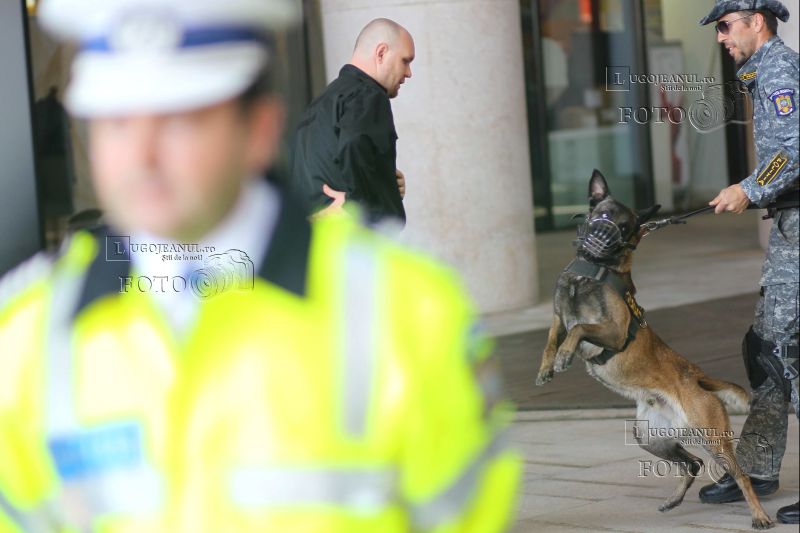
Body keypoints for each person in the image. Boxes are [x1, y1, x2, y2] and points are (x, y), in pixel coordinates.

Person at [0, 1, 520, 532]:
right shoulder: (25, 337)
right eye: (114, 122)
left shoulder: (409, 315)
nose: (141, 155)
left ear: (259, 129)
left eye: (180, 120)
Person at [698, 0, 799, 525]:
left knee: (785, 352)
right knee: (765, 348)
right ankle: (757, 468)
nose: (721, 37)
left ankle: (758, 467)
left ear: (756, 22)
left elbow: (793, 149)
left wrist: (749, 188)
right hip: (789, 226)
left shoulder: (779, 71)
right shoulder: (763, 72)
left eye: (725, 26)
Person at [289, 18, 412, 225]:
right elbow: (355, 142)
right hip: (351, 236)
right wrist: (366, 202)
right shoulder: (369, 95)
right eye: (405, 61)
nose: (408, 73)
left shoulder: (318, 105)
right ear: (381, 53)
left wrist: (384, 184)